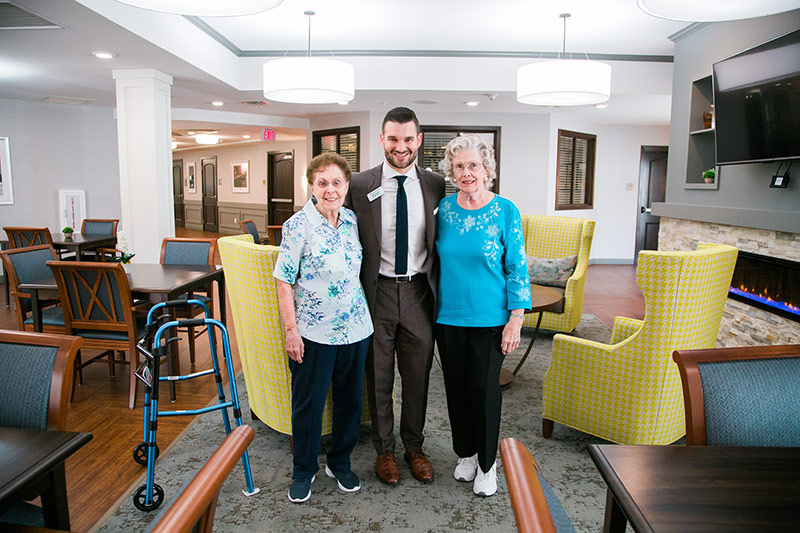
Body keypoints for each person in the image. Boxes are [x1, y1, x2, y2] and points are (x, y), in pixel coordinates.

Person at [346, 107, 446, 485]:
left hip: (420, 292)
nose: (400, 147)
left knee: (418, 376)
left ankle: (414, 446)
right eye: (393, 139)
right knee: (380, 376)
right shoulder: (359, 184)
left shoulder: (435, 183)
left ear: (419, 140)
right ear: (382, 140)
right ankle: (384, 450)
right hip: (377, 293)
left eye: (407, 139)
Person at [435, 134, 531, 497]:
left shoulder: (506, 210)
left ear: (487, 168)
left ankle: (488, 464)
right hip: (448, 318)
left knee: (485, 391)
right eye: (459, 166)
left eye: (473, 165)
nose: (466, 172)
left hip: (492, 321)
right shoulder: (443, 210)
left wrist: (516, 318)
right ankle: (467, 454)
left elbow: (517, 267)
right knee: (456, 390)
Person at [273, 153, 373, 503]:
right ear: (311, 186)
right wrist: (291, 331)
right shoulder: (297, 225)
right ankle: (304, 470)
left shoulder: (352, 220)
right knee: (309, 405)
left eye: (337, 182)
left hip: (356, 328)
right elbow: (284, 282)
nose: (330, 190)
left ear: (346, 186)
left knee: (350, 402)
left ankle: (340, 462)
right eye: (322, 183)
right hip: (314, 332)